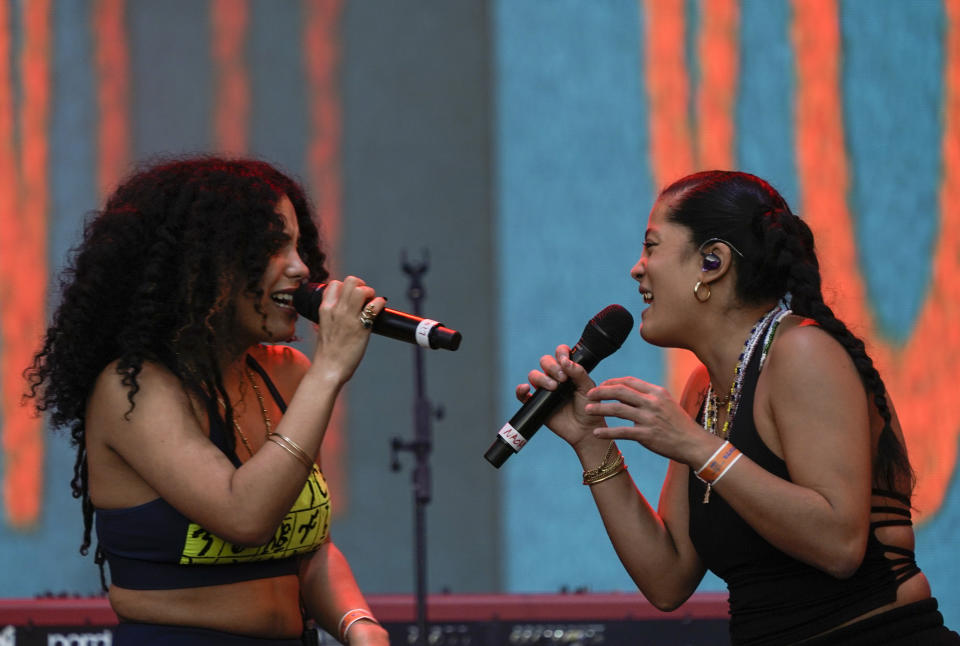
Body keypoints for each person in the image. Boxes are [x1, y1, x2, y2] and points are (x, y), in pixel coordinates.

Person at [518, 170, 960, 645]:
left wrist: (698, 448)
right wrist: (590, 441)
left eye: (652, 247)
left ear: (713, 262)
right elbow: (668, 579)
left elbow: (840, 545)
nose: (637, 268)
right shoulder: (702, 392)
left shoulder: (803, 353)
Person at [26, 157, 391, 645]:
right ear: (200, 265)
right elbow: (245, 515)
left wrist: (359, 626)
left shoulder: (285, 374)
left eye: (299, 246)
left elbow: (307, 547)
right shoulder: (131, 389)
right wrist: (330, 369)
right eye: (271, 248)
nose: (301, 268)